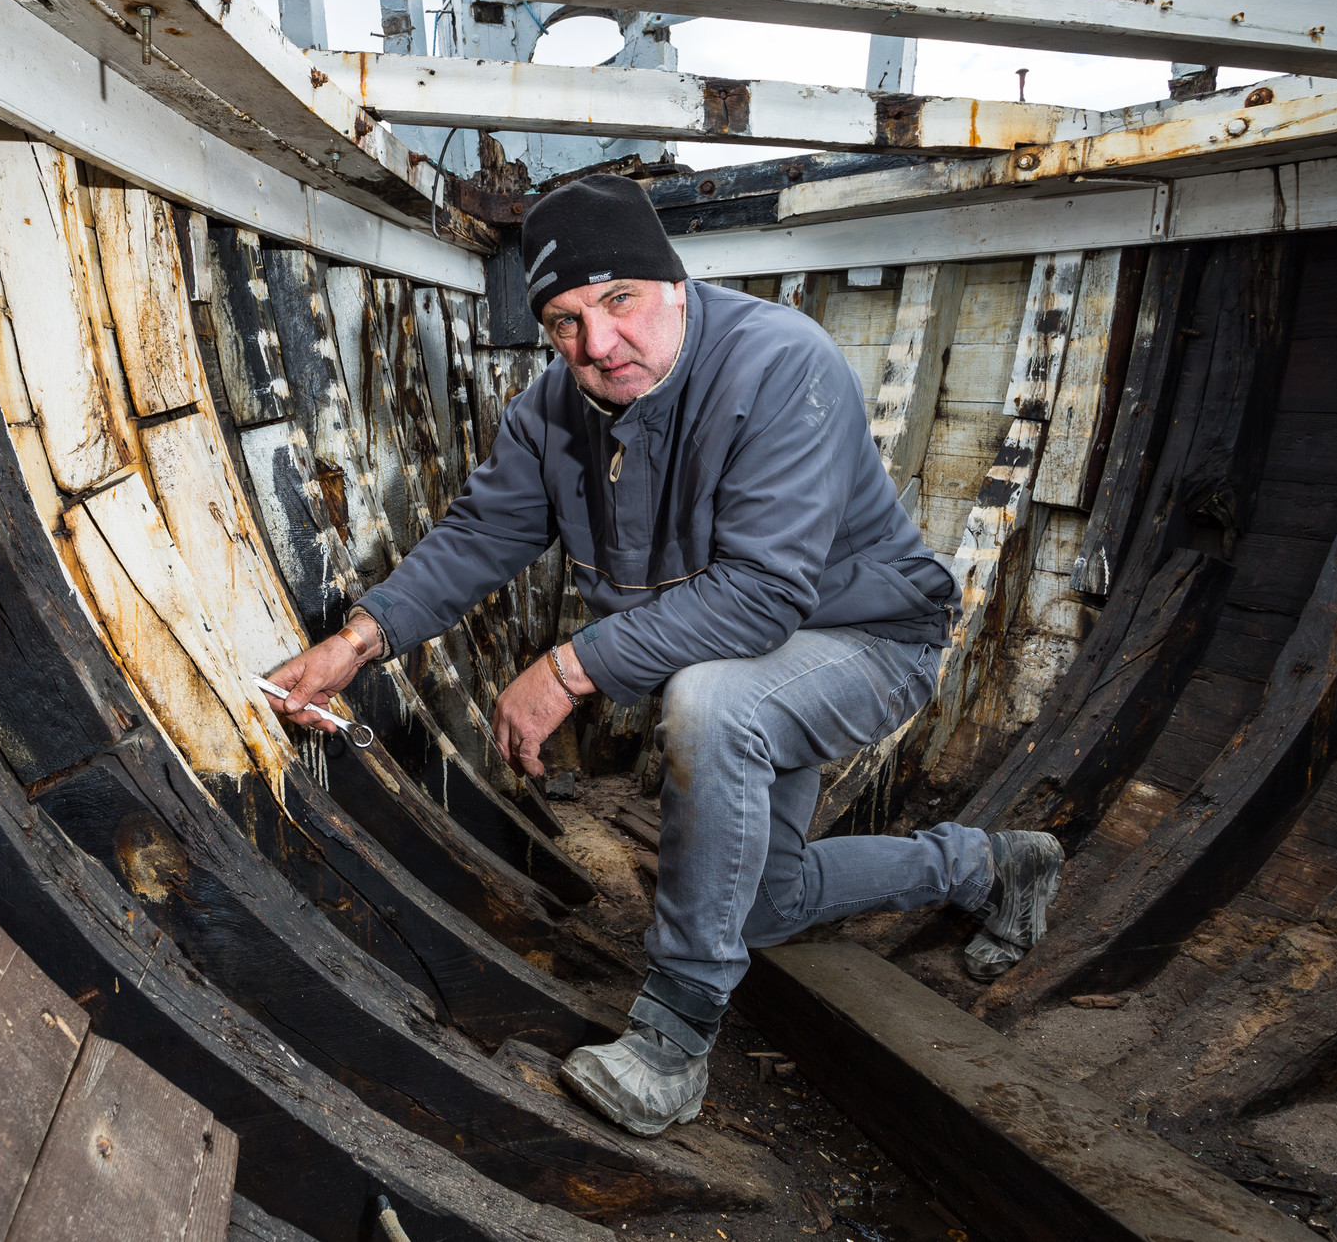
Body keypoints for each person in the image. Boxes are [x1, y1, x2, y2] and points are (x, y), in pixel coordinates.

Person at [262, 174, 1062, 1138]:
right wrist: (358, 639)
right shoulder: (554, 409)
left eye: (619, 301)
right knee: (762, 902)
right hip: (753, 659)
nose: (597, 345)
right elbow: (481, 534)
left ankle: (673, 1041)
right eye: (563, 320)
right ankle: (987, 868)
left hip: (867, 640)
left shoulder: (779, 365)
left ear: (674, 283)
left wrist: (564, 670)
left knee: (711, 704)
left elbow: (766, 593)